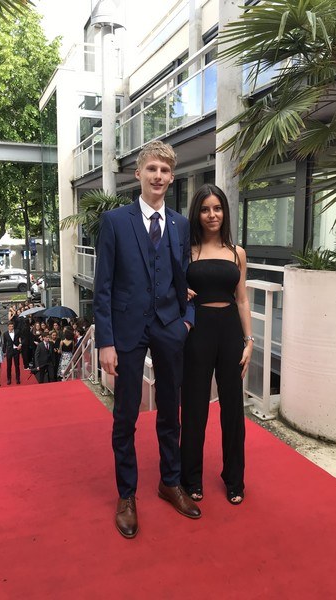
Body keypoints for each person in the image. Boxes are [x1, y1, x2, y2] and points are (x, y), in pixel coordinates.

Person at [93, 140, 200, 539]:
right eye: (152, 168)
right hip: (127, 331)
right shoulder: (115, 222)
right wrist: (105, 342)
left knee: (171, 411)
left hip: (170, 326)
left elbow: (185, 278)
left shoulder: (179, 224)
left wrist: (186, 321)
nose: (158, 176)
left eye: (165, 170)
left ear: (172, 177)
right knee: (125, 415)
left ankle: (170, 482)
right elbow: (102, 287)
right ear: (138, 173)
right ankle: (127, 495)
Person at [180, 184, 253, 506]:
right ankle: (190, 477)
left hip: (230, 331)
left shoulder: (237, 252)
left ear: (225, 211)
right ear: (197, 213)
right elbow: (169, 286)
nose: (212, 215)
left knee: (233, 409)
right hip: (197, 331)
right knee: (194, 407)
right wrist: (178, 291)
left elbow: (242, 299)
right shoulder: (187, 250)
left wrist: (249, 342)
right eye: (206, 209)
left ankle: (234, 479)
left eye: (218, 208)